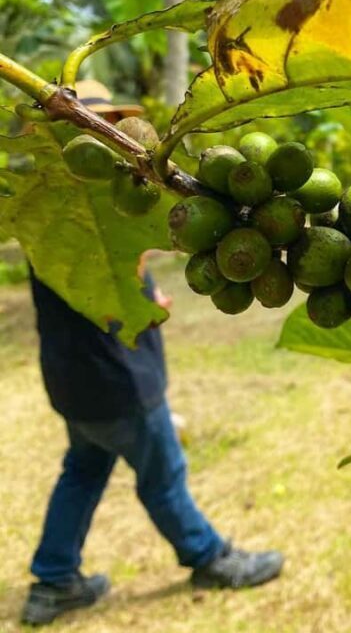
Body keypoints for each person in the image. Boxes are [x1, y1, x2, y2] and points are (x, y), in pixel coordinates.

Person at [21, 83, 283, 627]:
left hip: (71, 380)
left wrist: (147, 299)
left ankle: (52, 582)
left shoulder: (48, 208)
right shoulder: (92, 209)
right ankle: (209, 558)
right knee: (163, 476)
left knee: (82, 471)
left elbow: (98, 280)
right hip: (119, 380)